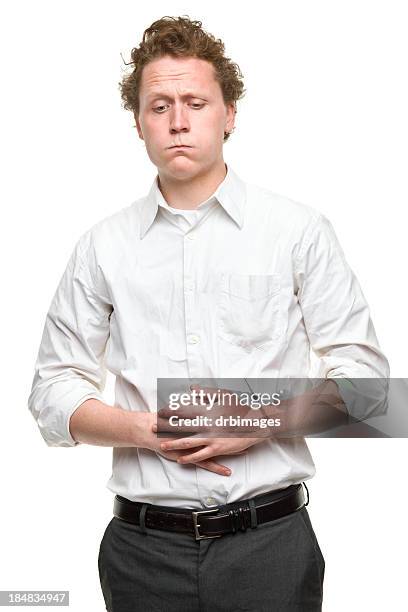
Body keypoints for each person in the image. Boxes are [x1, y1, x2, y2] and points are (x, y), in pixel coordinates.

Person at [28, 15, 389, 612]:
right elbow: (50, 394)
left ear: (230, 113)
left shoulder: (296, 231)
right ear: (138, 122)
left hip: (270, 548)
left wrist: (255, 422)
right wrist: (146, 431)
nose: (177, 121)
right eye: (158, 104)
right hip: (140, 554)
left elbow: (371, 389)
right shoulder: (102, 246)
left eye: (196, 101)